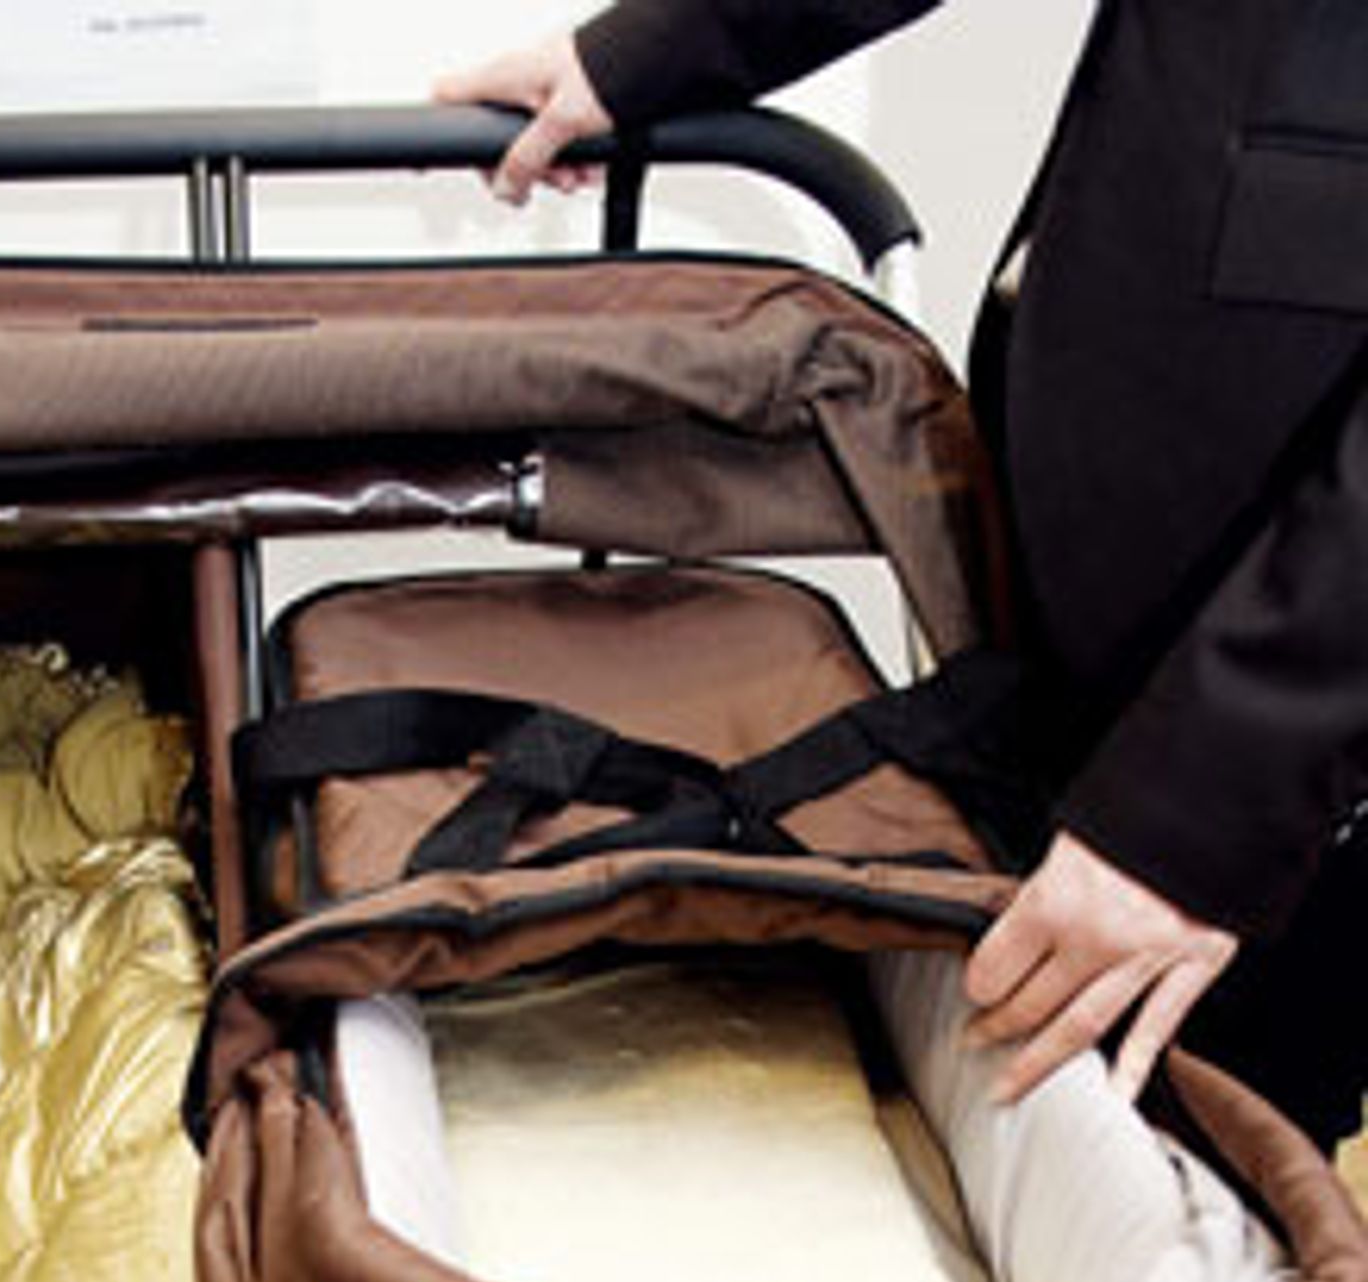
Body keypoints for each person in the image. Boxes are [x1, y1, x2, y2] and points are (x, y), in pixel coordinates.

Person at [435, 2, 1368, 1158]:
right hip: (1148, 582)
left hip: (1288, 685)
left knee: (1224, 1180)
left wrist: (1195, 812)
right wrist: (641, 56)